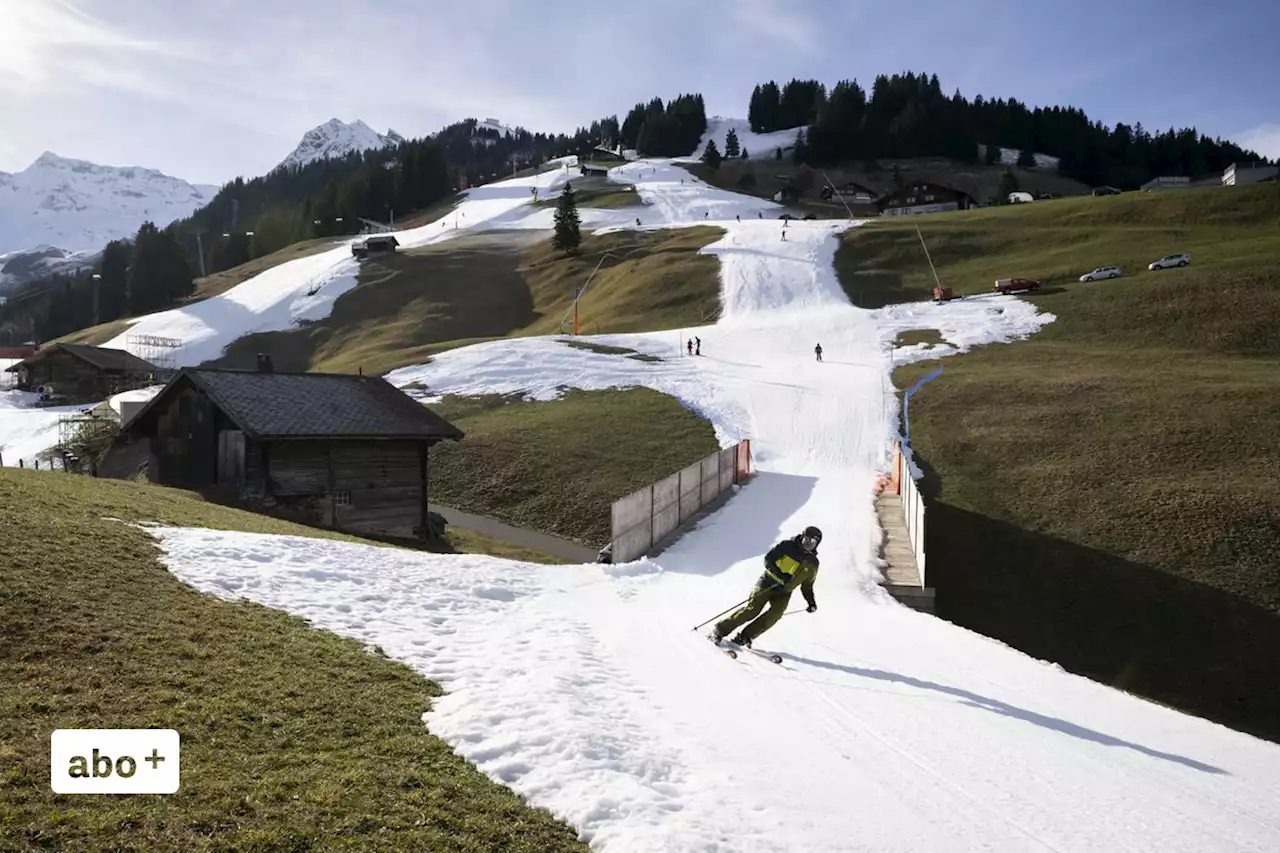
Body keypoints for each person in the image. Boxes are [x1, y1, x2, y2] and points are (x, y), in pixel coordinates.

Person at [712, 526, 821, 647]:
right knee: (752, 610)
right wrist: (780, 574)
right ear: (802, 537)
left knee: (775, 614)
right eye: (806, 539)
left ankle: (745, 636)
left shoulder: (813, 563)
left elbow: (807, 585)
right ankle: (720, 630)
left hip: (784, 592)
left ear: (816, 544)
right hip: (768, 582)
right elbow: (768, 559)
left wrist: (811, 602)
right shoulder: (788, 546)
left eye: (812, 542)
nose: (808, 544)